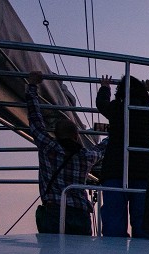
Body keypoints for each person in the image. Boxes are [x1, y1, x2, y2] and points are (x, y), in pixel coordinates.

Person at [24, 71, 106, 235]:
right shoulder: (86, 157)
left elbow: (35, 122)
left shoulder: (49, 147)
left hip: (55, 209)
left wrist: (32, 87)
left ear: (56, 134)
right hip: (81, 212)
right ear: (77, 136)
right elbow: (103, 148)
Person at [96, 74, 149, 237]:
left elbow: (101, 104)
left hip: (115, 169)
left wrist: (105, 87)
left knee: (113, 219)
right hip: (145, 171)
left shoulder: (116, 109)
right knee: (143, 220)